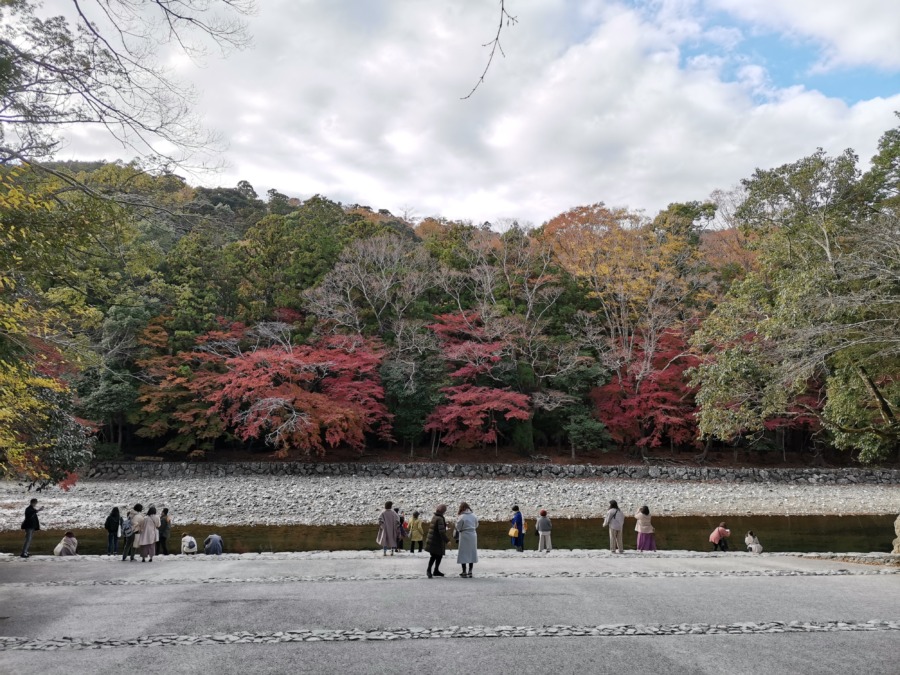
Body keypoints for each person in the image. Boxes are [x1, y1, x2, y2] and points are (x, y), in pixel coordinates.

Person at [425, 503, 449, 578]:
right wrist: (447, 540)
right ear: (443, 511)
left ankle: (435, 570)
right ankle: (429, 570)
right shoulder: (440, 518)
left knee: (437, 555)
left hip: (433, 539)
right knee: (435, 556)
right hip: (436, 540)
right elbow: (441, 531)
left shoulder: (435, 516)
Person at [455, 502, 479, 577]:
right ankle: (470, 571)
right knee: (471, 553)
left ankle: (464, 571)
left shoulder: (461, 517)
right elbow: (476, 525)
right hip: (473, 535)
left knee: (463, 553)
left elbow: (458, 527)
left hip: (464, 535)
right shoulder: (474, 515)